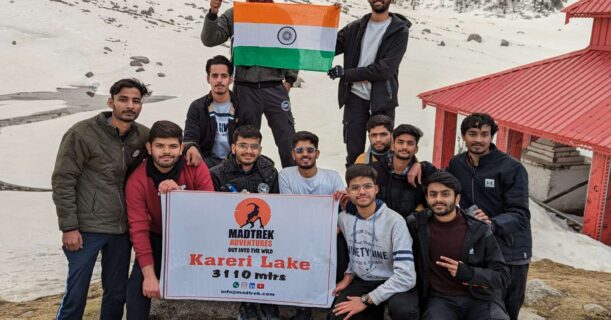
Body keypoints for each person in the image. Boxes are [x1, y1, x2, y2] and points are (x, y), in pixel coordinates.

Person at [52, 78, 150, 319]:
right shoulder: (82, 133)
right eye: (123, 99)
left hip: (121, 230)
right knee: (76, 295)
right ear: (111, 102)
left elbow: (169, 145)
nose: (130, 106)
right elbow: (63, 180)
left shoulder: (143, 136)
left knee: (116, 294)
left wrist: (189, 146)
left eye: (136, 101)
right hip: (86, 229)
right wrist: (69, 227)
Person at [125, 120, 214, 319]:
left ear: (181, 148)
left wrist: (180, 197)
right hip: (158, 237)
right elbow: (138, 229)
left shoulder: (196, 167)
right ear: (149, 148)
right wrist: (149, 276)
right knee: (136, 287)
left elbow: (210, 210)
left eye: (173, 146)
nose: (167, 151)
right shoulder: (137, 180)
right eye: (160, 146)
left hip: (193, 239)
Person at [447, 113, 531, 320]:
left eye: (485, 134)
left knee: (508, 308)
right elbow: (441, 183)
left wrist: (492, 223)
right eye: (473, 134)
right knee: (483, 306)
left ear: (492, 136)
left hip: (511, 249)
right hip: (480, 246)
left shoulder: (512, 168)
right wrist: (418, 166)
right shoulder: (457, 164)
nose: (479, 139)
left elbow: (521, 215)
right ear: (464, 136)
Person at [202, 0, 298, 168]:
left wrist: (289, 80)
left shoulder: (281, 15)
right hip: (245, 89)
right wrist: (213, 13)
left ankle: (294, 181)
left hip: (274, 87)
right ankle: (243, 181)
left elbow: (291, 48)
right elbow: (209, 39)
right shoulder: (235, 14)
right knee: (245, 141)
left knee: (287, 138)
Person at [407, 172, 510, 319]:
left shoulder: (479, 230)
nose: (438, 199)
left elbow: (503, 276)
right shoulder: (417, 225)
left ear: (457, 198)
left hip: (479, 299)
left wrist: (469, 273)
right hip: (440, 299)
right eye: (433, 194)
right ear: (427, 198)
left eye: (445, 194)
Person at [330, 164, 419, 320]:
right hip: (364, 281)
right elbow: (356, 249)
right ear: (348, 192)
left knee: (405, 311)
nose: (362, 191)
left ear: (376, 189)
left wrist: (367, 299)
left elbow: (407, 277)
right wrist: (348, 276)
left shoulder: (395, 221)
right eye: (355, 188)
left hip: (393, 281)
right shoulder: (344, 219)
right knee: (337, 316)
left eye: (367, 186)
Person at [328, 0, 410, 167]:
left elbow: (384, 70)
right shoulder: (355, 28)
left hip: (382, 100)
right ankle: (354, 191)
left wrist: (346, 74)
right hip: (355, 98)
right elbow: (328, 47)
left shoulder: (399, 31)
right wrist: (329, 19)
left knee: (383, 152)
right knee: (354, 155)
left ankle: (381, 191)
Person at [209, 125, 280, 320]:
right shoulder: (217, 174)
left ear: (260, 149)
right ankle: (246, 304)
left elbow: (281, 208)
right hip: (230, 237)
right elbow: (209, 210)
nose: (249, 151)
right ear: (233, 148)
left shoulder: (271, 173)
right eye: (243, 146)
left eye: (254, 146)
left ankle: (268, 302)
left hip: (263, 235)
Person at [278, 131, 347, 320]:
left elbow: (343, 210)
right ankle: (303, 307)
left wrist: (335, 229)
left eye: (310, 150)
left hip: (330, 234)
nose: (305, 154)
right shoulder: (285, 175)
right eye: (299, 150)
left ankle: (333, 301)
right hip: (299, 233)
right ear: (293, 154)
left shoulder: (332, 177)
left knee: (340, 247)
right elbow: (291, 211)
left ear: (317, 153)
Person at [184, 55, 240, 169]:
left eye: (224, 76)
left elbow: (251, 137)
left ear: (231, 79)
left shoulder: (243, 106)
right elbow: (190, 136)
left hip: (237, 161)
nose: (219, 80)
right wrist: (191, 147)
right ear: (208, 78)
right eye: (214, 76)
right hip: (207, 160)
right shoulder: (197, 107)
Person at [372, 124, 434, 218]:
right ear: (393, 146)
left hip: (408, 229)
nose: (404, 147)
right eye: (400, 142)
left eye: (410, 143)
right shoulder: (373, 170)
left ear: (416, 149)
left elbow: (445, 179)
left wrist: (424, 166)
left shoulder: (421, 175)